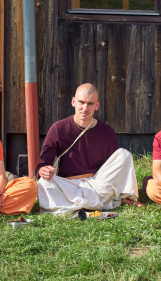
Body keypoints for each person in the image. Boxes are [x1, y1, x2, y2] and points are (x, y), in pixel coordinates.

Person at [35, 83, 139, 214]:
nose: (85, 108)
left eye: (90, 104)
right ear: (73, 102)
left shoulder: (107, 132)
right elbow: (42, 166)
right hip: (67, 185)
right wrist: (43, 171)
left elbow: (114, 172)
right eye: (81, 102)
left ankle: (73, 206)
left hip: (96, 184)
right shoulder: (57, 129)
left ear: (97, 106)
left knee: (124, 155)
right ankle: (102, 203)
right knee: (44, 184)